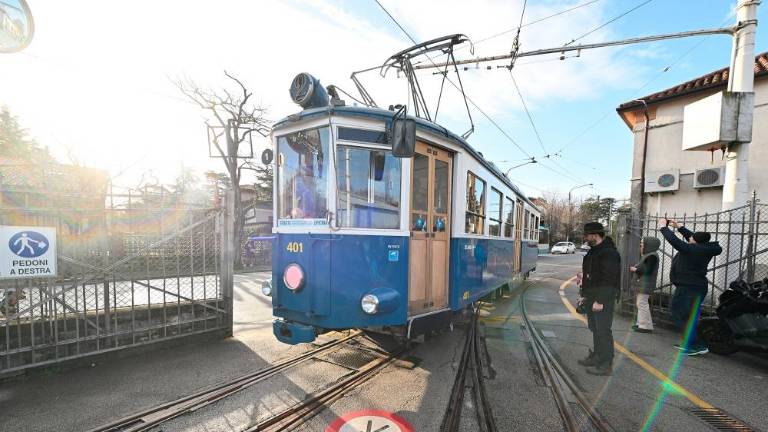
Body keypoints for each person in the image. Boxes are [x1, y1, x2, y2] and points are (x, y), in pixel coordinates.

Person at [659, 218, 722, 356]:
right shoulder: (704, 248)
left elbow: (675, 241)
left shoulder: (691, 250)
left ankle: (697, 345)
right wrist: (680, 227)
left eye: (691, 238)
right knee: (689, 317)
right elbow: (692, 238)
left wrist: (664, 227)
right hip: (696, 287)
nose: (689, 238)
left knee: (678, 314)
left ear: (695, 242)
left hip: (688, 288)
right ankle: (690, 342)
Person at [576, 222, 622, 375]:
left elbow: (609, 279)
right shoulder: (594, 252)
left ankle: (606, 364)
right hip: (592, 297)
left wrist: (600, 301)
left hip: (602, 299)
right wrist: (583, 284)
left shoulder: (609, 253)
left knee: (603, 331)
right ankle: (597, 356)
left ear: (594, 235)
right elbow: (594, 274)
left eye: (587, 235)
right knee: (595, 329)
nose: (585, 238)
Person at [629, 236, 661, 333]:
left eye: (643, 244)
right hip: (643, 284)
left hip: (645, 284)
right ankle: (641, 324)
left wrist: (636, 269)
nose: (641, 246)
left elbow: (648, 270)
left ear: (649, 245)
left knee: (642, 303)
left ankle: (646, 326)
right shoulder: (649, 255)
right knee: (640, 303)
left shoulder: (652, 256)